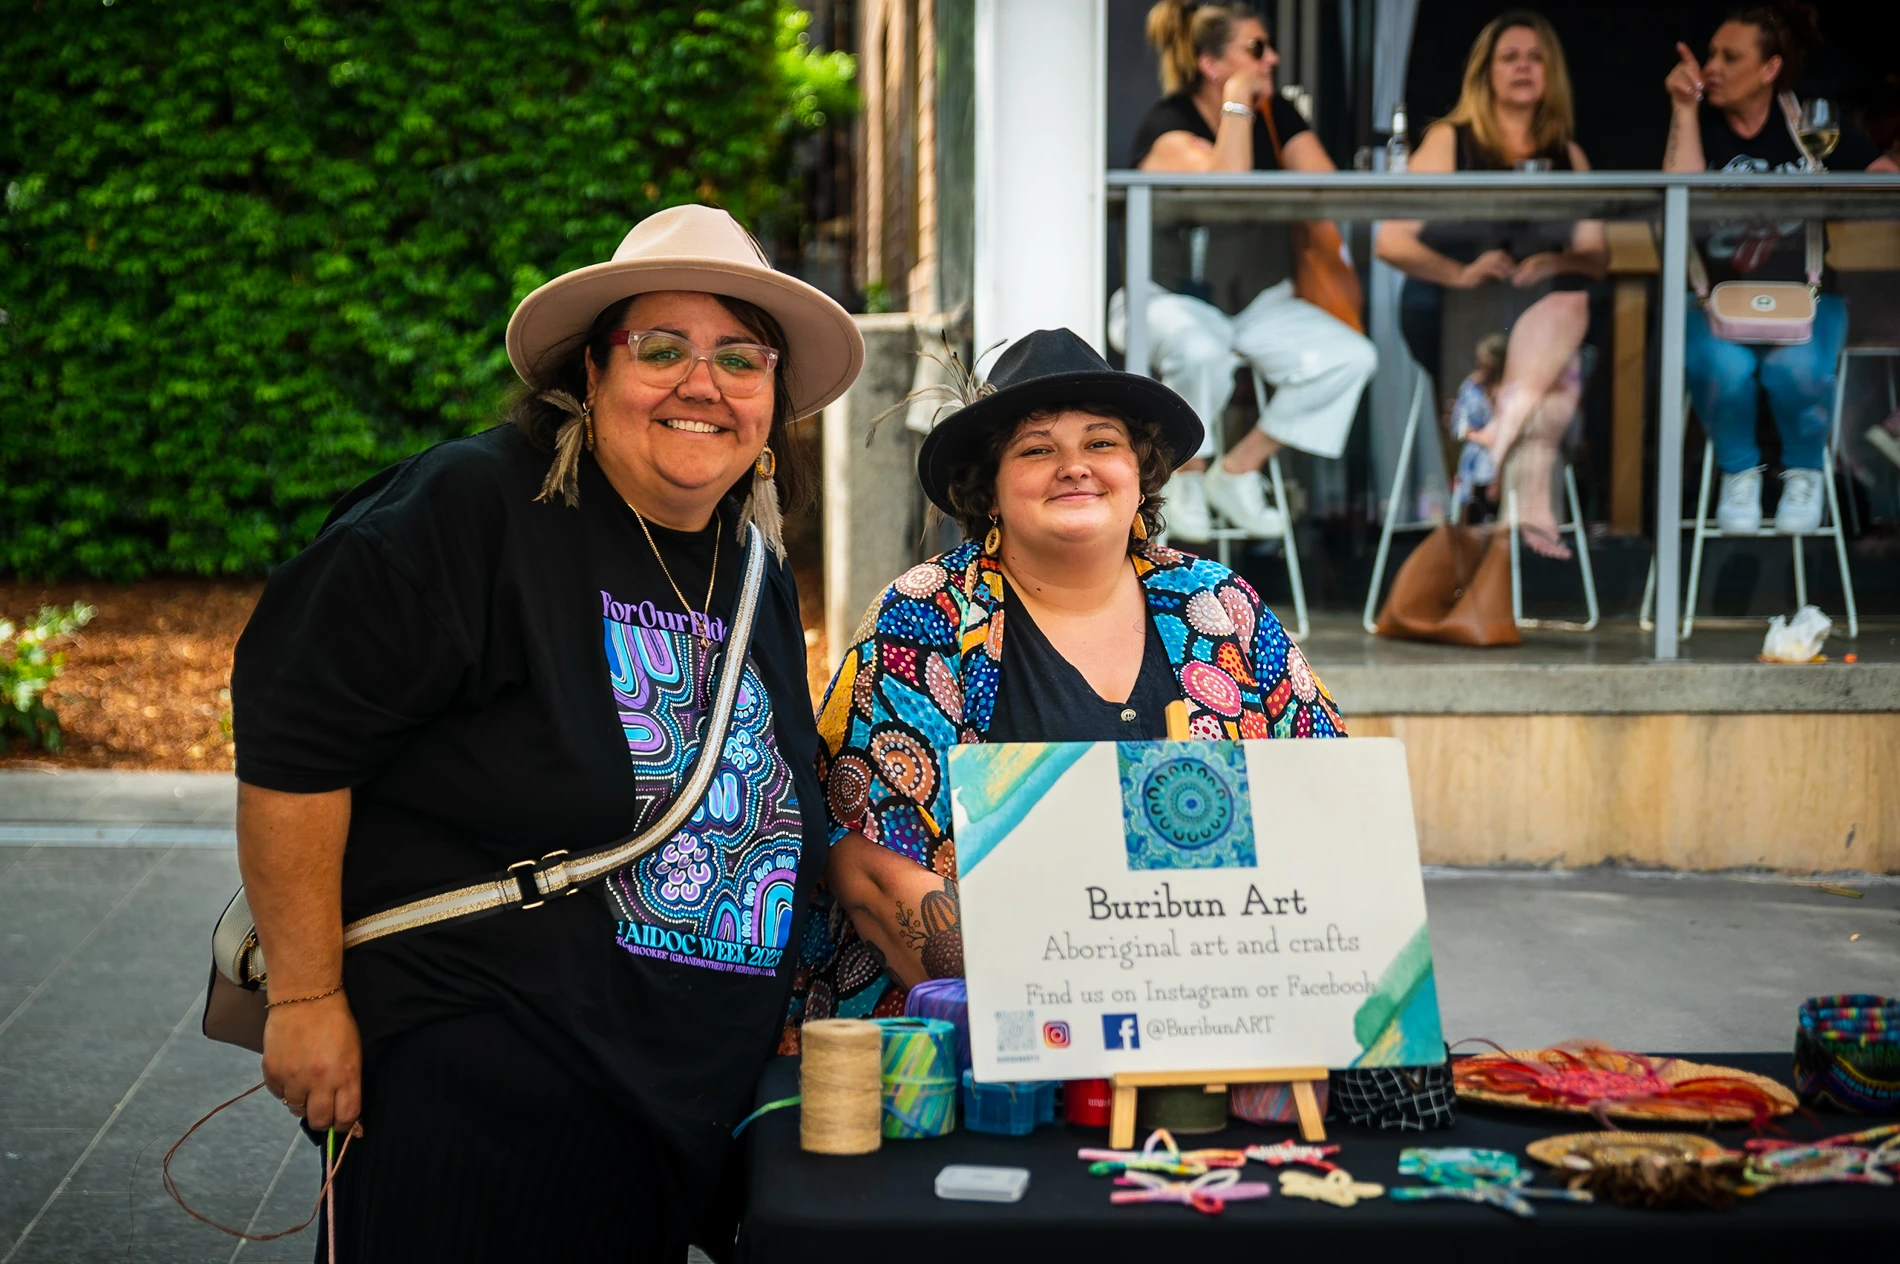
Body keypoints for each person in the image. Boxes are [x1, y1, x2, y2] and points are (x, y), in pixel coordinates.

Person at [230, 205, 863, 1261]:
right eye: (661, 348)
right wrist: (304, 996)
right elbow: (297, 733)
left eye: (741, 358)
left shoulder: (751, 568)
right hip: (484, 1078)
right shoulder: (474, 508)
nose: (702, 383)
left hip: (672, 1103)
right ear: (587, 373)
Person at [783, 328, 1344, 1031]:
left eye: (1102, 444)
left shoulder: (1221, 607)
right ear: (989, 490)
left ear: (1140, 473)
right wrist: (1086, 1003)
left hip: (1229, 1026)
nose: (1074, 467)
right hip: (979, 1051)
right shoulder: (923, 619)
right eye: (1038, 449)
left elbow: (1333, 802)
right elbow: (868, 873)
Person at [1107, 0, 1377, 542]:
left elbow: (1329, 188)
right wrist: (1236, 102)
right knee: (1201, 350)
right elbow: (1224, 184)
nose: (1272, 58)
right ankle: (1186, 471)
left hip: (1255, 301)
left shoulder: (1277, 117)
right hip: (1166, 299)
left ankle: (1239, 470)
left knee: (1349, 357)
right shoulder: (1170, 125)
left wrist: (1277, 119)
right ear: (1212, 65)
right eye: (1256, 49)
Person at [1376, 11, 1606, 560]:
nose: (1523, 67)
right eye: (1510, 57)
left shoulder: (1568, 155)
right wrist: (1460, 271)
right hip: (1458, 307)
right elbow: (1392, 242)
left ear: (1551, 73)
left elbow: (1597, 257)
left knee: (1570, 300)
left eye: (1534, 57)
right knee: (1556, 373)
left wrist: (1553, 259)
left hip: (1541, 309)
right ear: (1486, 73)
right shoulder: (1449, 141)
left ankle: (1497, 446)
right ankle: (1527, 503)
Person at [1663, 2, 1897, 534]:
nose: (1711, 67)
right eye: (1710, 55)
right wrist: (1681, 108)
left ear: (1769, 69)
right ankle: (1739, 472)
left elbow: (1883, 178)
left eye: (1730, 56)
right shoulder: (1701, 126)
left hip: (1806, 297)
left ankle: (1804, 472)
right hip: (1713, 298)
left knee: (1797, 371)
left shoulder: (1809, 123)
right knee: (1725, 372)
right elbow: (1679, 198)